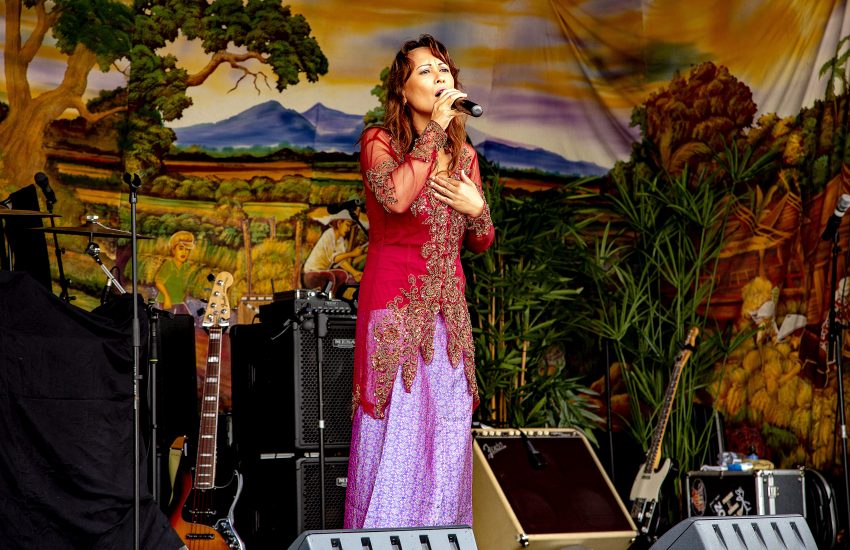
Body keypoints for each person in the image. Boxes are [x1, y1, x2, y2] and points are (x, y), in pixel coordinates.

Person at [344, 34, 495, 529]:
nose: (440, 77)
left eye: (444, 70)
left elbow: (479, 240)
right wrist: (436, 132)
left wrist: (479, 211)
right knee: (399, 435)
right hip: (395, 307)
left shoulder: (467, 156)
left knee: (446, 440)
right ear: (402, 90)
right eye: (426, 71)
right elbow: (397, 198)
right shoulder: (378, 142)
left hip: (449, 316)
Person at [302, 212, 364, 292]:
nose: (348, 229)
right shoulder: (329, 234)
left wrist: (354, 273)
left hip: (322, 272)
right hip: (311, 274)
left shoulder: (340, 240)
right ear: (339, 223)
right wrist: (353, 253)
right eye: (347, 225)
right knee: (329, 277)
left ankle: (334, 297)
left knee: (342, 275)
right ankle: (328, 300)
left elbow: (341, 261)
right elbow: (334, 258)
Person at [154, 230, 195, 312]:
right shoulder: (169, 264)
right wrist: (167, 297)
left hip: (179, 302)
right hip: (164, 302)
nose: (184, 252)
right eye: (181, 248)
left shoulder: (186, 267)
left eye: (187, 250)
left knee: (188, 320)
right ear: (173, 250)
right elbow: (159, 282)